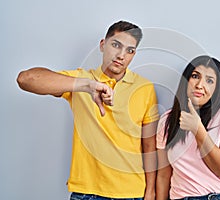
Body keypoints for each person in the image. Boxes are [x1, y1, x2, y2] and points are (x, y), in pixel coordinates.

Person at [17, 20, 159, 200]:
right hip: (87, 193)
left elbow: (149, 146)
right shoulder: (81, 79)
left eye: (129, 50)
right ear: (102, 45)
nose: (121, 55)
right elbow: (26, 79)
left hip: (132, 193)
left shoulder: (144, 88)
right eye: (116, 45)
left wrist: (151, 192)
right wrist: (86, 85)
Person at [156, 55, 220, 200]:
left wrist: (197, 129)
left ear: (217, 88)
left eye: (209, 80)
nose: (200, 85)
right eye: (195, 76)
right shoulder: (167, 121)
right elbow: (163, 176)